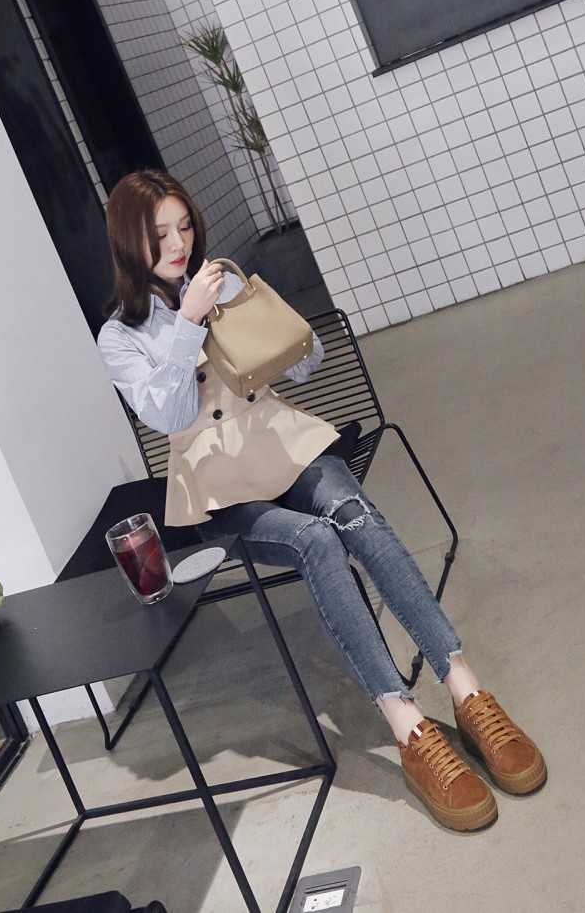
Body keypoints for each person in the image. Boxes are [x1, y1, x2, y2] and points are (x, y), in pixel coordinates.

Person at [98, 169, 547, 832]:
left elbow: (307, 358)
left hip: (282, 442)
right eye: (159, 233)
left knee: (354, 513)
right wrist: (189, 320)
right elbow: (169, 413)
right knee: (317, 540)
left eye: (184, 226)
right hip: (220, 486)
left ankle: (466, 689)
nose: (178, 244)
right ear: (127, 241)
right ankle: (407, 723)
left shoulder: (221, 279)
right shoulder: (121, 335)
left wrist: (268, 326)